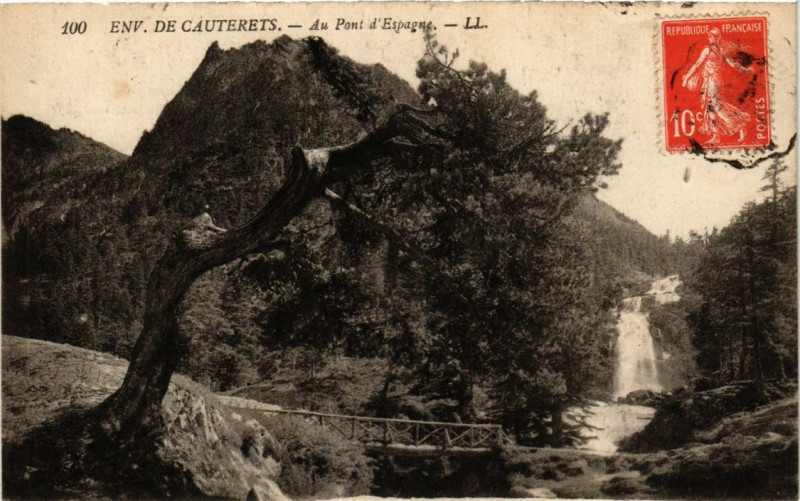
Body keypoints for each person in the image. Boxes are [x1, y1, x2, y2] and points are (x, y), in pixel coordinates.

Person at [681, 27, 754, 144]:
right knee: (709, 107)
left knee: (717, 107)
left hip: (713, 81)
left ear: (716, 38)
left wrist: (686, 79)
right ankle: (716, 135)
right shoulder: (717, 50)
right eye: (709, 36)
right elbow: (697, 65)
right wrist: (745, 70)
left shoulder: (713, 50)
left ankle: (739, 126)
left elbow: (697, 65)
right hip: (708, 80)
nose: (709, 39)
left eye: (711, 36)